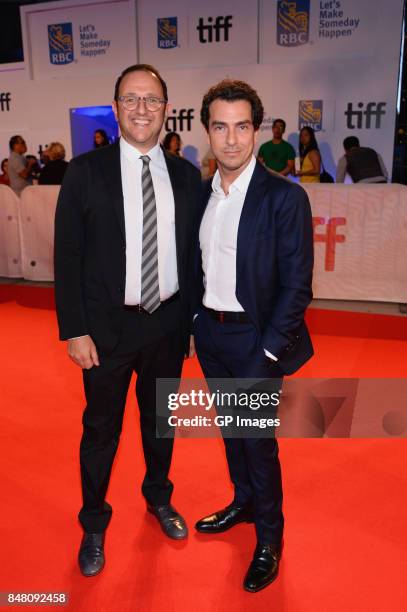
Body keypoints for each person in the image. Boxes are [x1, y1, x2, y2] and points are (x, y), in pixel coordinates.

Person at [54, 64, 201, 577]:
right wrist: (74, 328)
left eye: (153, 100)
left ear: (166, 108)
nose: (142, 109)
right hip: (106, 331)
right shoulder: (84, 171)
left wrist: (190, 325)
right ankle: (94, 521)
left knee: (160, 424)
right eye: (131, 99)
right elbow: (67, 254)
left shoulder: (186, 175)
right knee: (101, 431)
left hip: (167, 325)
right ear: (116, 107)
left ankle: (158, 498)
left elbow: (195, 256)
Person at [193, 79, 314, 593]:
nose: (232, 139)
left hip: (254, 341)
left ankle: (270, 539)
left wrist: (267, 352)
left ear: (257, 130)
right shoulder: (202, 197)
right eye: (220, 126)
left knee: (258, 443)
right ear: (208, 132)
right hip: (212, 337)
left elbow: (297, 286)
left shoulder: (284, 197)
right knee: (231, 434)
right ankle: (243, 503)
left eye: (242, 126)